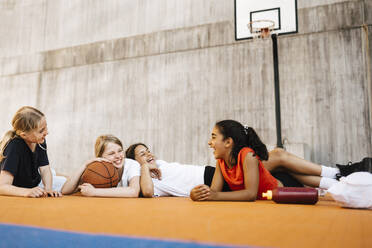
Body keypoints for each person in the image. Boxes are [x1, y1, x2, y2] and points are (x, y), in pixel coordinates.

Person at [190, 120, 371, 201]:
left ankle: (340, 178)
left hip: (285, 187)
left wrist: (215, 196)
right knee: (281, 159)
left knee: (291, 171)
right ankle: (338, 178)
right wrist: (199, 194)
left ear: (228, 142)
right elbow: (213, 192)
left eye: (214, 137)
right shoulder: (222, 161)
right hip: (274, 182)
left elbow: (250, 194)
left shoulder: (247, 155)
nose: (209, 142)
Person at [0, 106, 63, 197]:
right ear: (24, 135)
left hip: (33, 179)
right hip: (18, 186)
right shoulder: (14, 147)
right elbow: (2, 186)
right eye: (41, 131)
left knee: (67, 184)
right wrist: (26, 192)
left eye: (46, 127)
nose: (46, 132)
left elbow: (45, 169)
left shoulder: (39, 141)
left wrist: (48, 189)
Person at [61, 135, 145, 197]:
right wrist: (85, 165)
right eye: (111, 153)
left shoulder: (132, 164)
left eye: (120, 151)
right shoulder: (97, 169)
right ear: (101, 157)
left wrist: (94, 192)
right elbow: (65, 190)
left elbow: (134, 191)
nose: (118, 156)